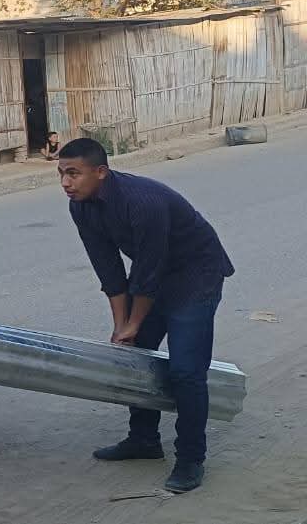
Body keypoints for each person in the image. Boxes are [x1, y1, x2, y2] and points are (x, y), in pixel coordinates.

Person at [58, 138, 234, 493]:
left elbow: (148, 272)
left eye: (73, 173)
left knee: (186, 370)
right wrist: (121, 327)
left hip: (196, 273)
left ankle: (190, 458)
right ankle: (143, 439)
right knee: (135, 356)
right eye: (61, 174)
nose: (65, 182)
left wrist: (134, 322)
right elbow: (108, 269)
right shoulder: (81, 207)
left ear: (101, 172)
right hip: (154, 274)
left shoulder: (142, 202)